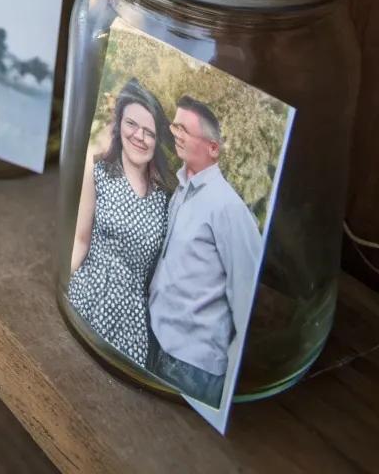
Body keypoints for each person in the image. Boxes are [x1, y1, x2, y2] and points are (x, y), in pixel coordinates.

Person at [148, 96, 263, 409]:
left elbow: (246, 296)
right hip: (161, 348)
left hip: (193, 367)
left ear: (214, 148)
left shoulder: (228, 208)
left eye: (185, 129)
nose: (177, 134)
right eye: (175, 126)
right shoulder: (183, 189)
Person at [68, 81, 174, 369]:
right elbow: (80, 240)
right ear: (119, 124)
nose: (139, 136)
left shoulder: (164, 199)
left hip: (132, 325)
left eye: (149, 132)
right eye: (131, 124)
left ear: (157, 139)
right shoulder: (99, 171)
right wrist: (63, 286)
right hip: (86, 297)